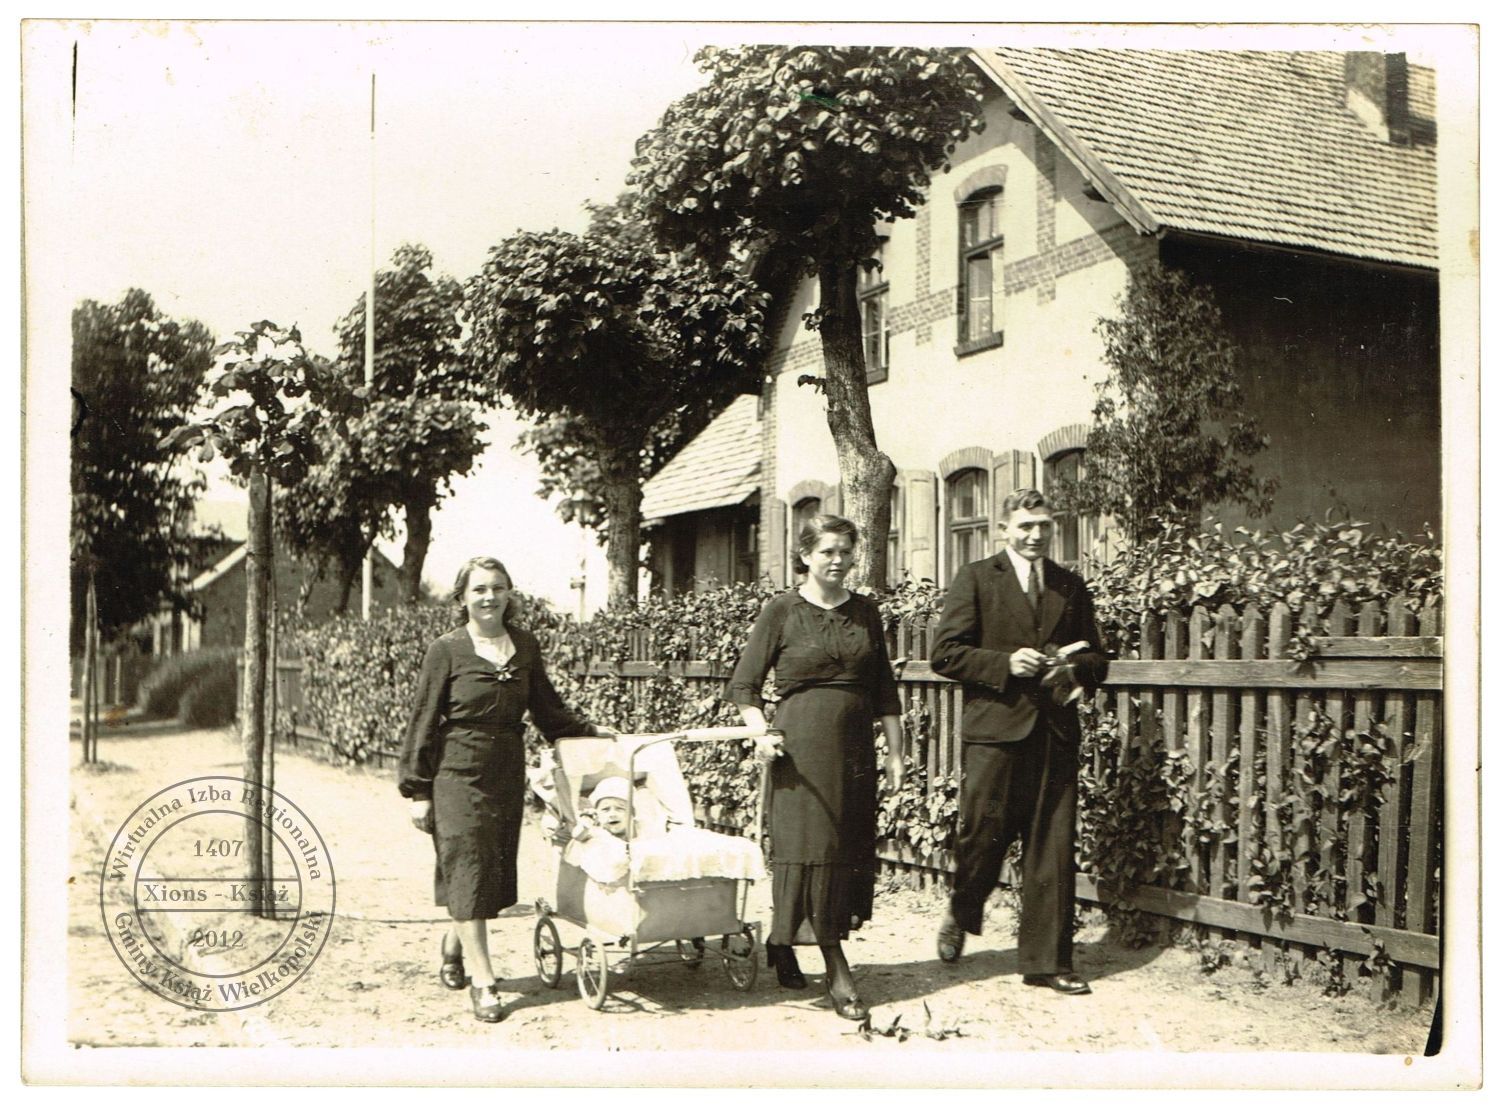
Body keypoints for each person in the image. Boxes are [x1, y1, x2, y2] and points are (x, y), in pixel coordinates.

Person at [399, 556, 608, 1023]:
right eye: (478, 590)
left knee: (485, 877)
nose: (489, 597)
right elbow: (423, 719)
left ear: (509, 594)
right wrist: (418, 790)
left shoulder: (525, 646)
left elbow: (547, 709)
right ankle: (485, 982)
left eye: (497, 588)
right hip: (455, 773)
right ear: (462, 599)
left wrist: (590, 731)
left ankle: (455, 947)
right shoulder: (446, 650)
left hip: (505, 773)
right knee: (468, 864)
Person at [929, 489, 1109, 995]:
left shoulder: (1071, 586)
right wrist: (1004, 664)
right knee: (981, 838)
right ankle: (963, 908)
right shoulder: (977, 579)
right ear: (1002, 530)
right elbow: (945, 654)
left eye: (1044, 526)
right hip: (995, 733)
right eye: (1025, 526)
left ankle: (1048, 962)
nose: (1035, 535)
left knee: (1051, 845)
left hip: (1054, 732)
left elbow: (1099, 658)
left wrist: (1076, 666)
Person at [727, 513, 904, 1021]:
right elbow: (745, 684)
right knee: (814, 849)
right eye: (828, 551)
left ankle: (783, 944)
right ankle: (837, 968)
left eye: (846, 551)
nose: (838, 560)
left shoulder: (866, 612)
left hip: (854, 753)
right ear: (805, 555)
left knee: (842, 849)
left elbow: (884, 690)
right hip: (800, 751)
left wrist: (894, 752)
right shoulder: (782, 610)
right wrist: (759, 730)